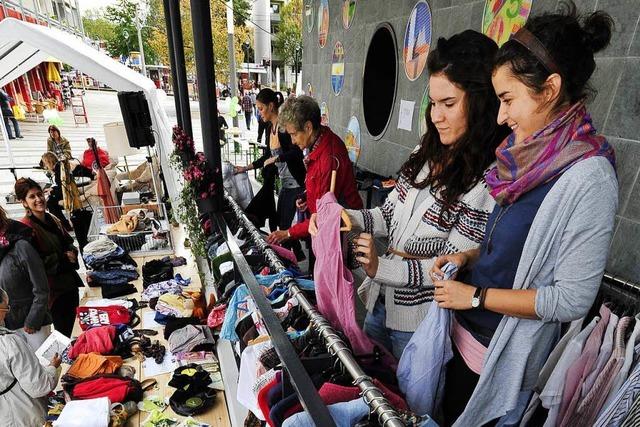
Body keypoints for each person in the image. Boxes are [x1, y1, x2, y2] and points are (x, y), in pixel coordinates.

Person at [428, 6, 617, 425]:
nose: (500, 116)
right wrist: (469, 259)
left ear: (549, 89)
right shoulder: (524, 158)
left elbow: (571, 298)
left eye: (508, 99)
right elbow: (513, 245)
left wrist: (475, 297)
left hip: (500, 361)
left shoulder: (589, 178)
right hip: (463, 338)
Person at [309, 30, 509, 359]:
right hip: (379, 303)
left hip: (418, 324)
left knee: (409, 407)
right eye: (433, 103)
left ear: (482, 102)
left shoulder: (487, 181)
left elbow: (448, 270)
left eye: (449, 103)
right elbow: (387, 216)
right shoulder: (426, 151)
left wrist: (379, 267)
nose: (436, 116)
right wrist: (343, 216)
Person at [273, 95, 363, 261]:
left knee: (330, 279)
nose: (292, 141)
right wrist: (306, 198)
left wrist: (288, 233)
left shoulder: (327, 159)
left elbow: (324, 218)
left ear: (308, 127)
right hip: (331, 226)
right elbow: (321, 191)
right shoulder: (322, 140)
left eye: (294, 134)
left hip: (340, 232)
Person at [234, 89, 307, 259]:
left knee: (282, 226)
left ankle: (293, 258)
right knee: (276, 222)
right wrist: (246, 168)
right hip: (285, 184)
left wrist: (277, 159)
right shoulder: (270, 128)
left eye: (260, 109)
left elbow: (296, 152)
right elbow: (268, 155)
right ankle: (297, 255)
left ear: (271, 106)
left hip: (296, 184)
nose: (259, 113)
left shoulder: (283, 129)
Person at [15, 178, 83, 338]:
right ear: (23, 202)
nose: (38, 199)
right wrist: (64, 258)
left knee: (70, 329)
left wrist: (72, 252)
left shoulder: (53, 219)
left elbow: (69, 242)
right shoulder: (26, 230)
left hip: (69, 285)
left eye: (39, 194)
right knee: (62, 334)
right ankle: (63, 363)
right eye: (32, 197)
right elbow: (35, 264)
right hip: (54, 293)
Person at [0, 288, 61, 427]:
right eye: (5, 309)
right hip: (20, 416)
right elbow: (39, 386)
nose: (6, 315)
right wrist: (53, 367)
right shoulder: (9, 343)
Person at [0, 206, 51, 350]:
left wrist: (33, 319)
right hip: (7, 327)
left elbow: (41, 288)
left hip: (32, 325)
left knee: (46, 365)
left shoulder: (21, 246)